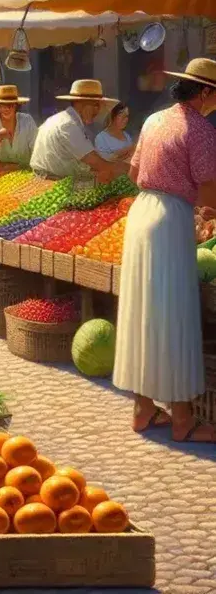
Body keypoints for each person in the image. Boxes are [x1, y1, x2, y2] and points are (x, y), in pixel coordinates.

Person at [113, 59, 216, 443]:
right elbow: (208, 189)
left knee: (145, 313)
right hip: (171, 218)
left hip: (142, 213)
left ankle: (142, 408)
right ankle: (183, 419)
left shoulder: (155, 120)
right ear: (204, 92)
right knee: (175, 314)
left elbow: (133, 173)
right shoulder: (200, 129)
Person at [30, 79, 122, 183]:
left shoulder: (63, 119)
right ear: (80, 103)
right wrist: (128, 169)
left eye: (99, 106)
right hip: (50, 182)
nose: (98, 111)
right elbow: (98, 164)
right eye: (95, 105)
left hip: (51, 178)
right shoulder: (69, 125)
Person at [0, 85, 38, 165]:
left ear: (16, 105)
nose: (6, 109)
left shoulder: (27, 121)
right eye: (2, 105)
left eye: (10, 105)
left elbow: (38, 152)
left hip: (25, 172)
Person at [95, 101, 135, 166]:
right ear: (112, 116)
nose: (125, 119)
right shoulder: (101, 138)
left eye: (126, 116)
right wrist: (127, 150)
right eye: (120, 115)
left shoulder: (126, 135)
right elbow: (103, 162)